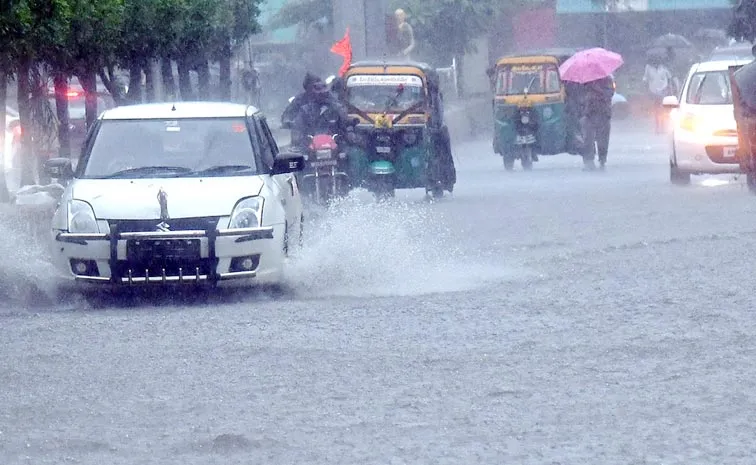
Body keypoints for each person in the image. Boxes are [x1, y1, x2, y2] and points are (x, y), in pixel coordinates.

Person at [289, 73, 353, 150]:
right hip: (310, 148)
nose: (321, 92)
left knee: (352, 154)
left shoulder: (337, 107)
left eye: (323, 88)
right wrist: (297, 140)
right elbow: (297, 127)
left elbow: (346, 122)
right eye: (317, 89)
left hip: (336, 147)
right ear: (311, 91)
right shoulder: (305, 109)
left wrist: (349, 133)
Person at [579, 76, 614, 171]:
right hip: (589, 114)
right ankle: (588, 161)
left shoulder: (607, 80)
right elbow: (580, 97)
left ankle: (602, 160)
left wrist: (596, 89)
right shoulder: (585, 81)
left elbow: (609, 94)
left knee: (603, 140)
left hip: (603, 114)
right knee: (587, 139)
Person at [643, 57, 674, 133]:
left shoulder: (663, 68)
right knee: (656, 111)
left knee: (663, 110)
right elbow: (645, 79)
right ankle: (657, 127)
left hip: (663, 90)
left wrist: (670, 89)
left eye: (657, 62)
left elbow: (669, 78)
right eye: (654, 62)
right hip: (653, 91)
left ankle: (662, 127)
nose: (656, 64)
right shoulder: (648, 68)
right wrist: (646, 90)